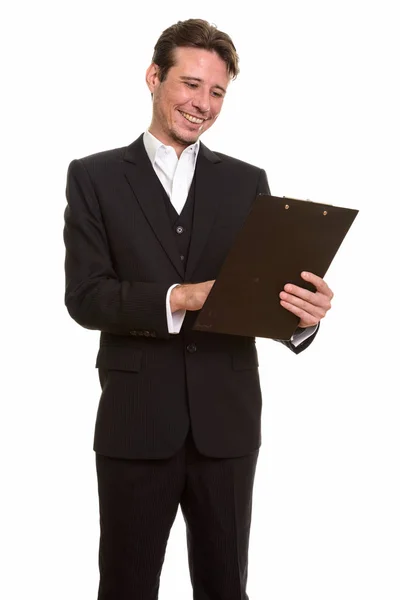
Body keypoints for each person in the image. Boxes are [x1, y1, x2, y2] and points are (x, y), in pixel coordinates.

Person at [63, 18, 333, 600]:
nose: (202, 104)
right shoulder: (95, 177)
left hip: (228, 427)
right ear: (153, 77)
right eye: (190, 85)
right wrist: (177, 297)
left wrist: (302, 319)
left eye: (216, 92)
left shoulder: (246, 182)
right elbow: (85, 296)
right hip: (136, 424)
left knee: (225, 588)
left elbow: (261, 296)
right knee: (127, 587)